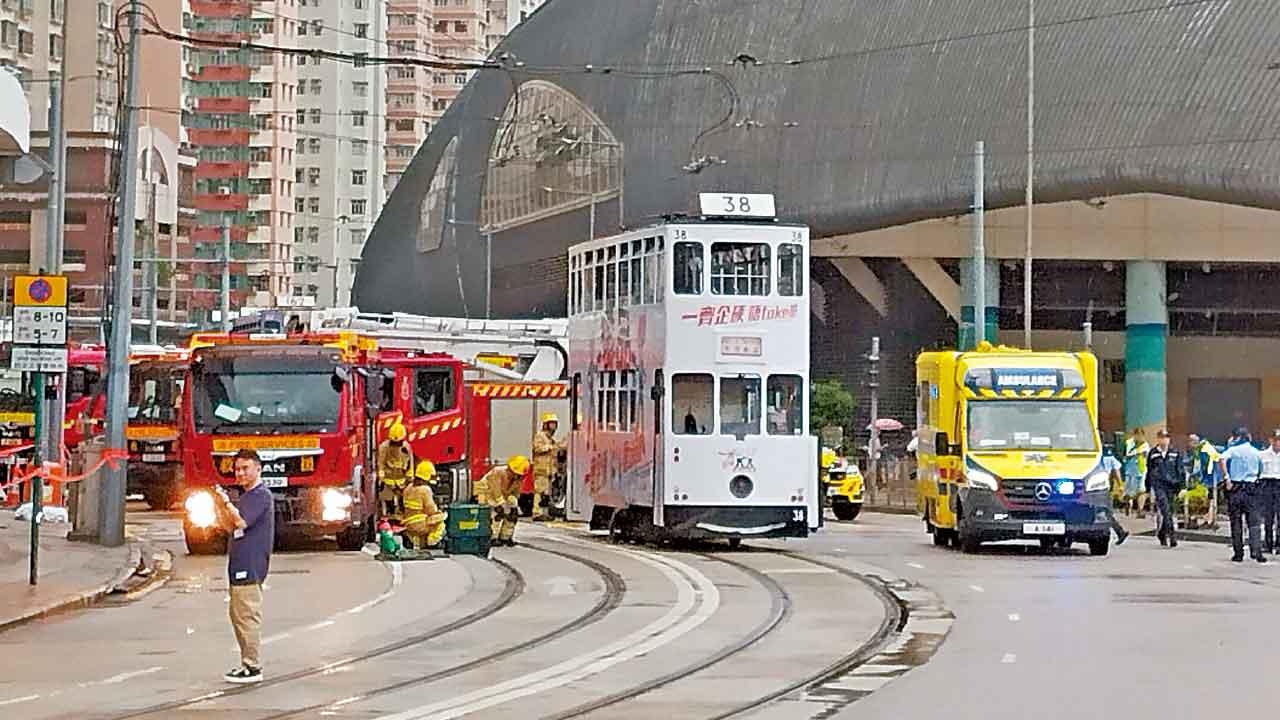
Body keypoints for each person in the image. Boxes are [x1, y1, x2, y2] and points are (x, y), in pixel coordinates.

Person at [214, 448, 274, 683]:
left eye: (244, 468)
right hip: (240, 562)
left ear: (258, 469)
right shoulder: (248, 496)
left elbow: (240, 521)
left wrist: (226, 502)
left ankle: (252, 666)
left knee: (247, 615)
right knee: (238, 615)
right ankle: (246, 663)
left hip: (250, 563)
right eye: (236, 469)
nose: (239, 473)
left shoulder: (260, 495)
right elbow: (231, 528)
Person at [1219, 426, 1267, 563]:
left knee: (1236, 522)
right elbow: (1261, 468)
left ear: (1237, 438)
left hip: (1235, 488)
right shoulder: (1256, 452)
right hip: (1251, 489)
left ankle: (1238, 553)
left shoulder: (1233, 450)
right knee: (1254, 522)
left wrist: (1226, 478)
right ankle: (1256, 551)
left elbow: (1221, 459)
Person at [478, 455, 528, 546]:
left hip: (502, 495)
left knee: (512, 513)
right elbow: (495, 490)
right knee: (498, 511)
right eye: (515, 473)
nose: (517, 477)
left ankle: (505, 537)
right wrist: (501, 503)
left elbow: (515, 493)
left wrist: (515, 506)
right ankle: (492, 537)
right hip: (487, 494)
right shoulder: (497, 472)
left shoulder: (518, 479)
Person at [1144, 429, 1183, 548]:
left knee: (1169, 511)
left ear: (1169, 439)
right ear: (1158, 439)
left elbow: (1180, 470)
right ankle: (1172, 536)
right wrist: (1148, 487)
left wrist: (1182, 486)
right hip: (1159, 485)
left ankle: (1162, 533)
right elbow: (1149, 471)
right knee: (1165, 510)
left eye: (1166, 437)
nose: (1163, 440)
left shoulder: (1175, 453)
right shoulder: (1153, 453)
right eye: (1161, 437)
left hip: (1172, 485)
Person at [403, 460, 447, 550]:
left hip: (407, 523)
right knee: (441, 521)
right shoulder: (425, 490)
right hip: (420, 523)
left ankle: (417, 542)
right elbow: (430, 510)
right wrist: (439, 512)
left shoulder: (408, 487)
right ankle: (432, 543)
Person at [531, 413, 566, 521]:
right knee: (540, 492)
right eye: (551, 423)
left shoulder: (550, 438)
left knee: (546, 493)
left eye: (555, 424)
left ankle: (544, 513)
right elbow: (537, 448)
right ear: (546, 424)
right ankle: (537, 512)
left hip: (549, 470)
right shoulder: (540, 436)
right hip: (541, 470)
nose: (554, 426)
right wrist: (552, 447)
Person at [376, 422, 413, 520]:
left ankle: (402, 515)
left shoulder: (406, 447)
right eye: (394, 443)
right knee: (387, 500)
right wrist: (381, 477)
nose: (396, 445)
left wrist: (409, 479)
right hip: (387, 481)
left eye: (398, 443)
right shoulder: (384, 447)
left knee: (404, 501)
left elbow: (410, 464)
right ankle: (387, 516)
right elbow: (380, 463)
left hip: (402, 481)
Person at [1186, 433, 1221, 526]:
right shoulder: (1201, 448)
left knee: (1211, 498)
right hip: (1210, 477)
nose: (1189, 444)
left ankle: (1209, 519)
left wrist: (1200, 476)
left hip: (1211, 478)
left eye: (1190, 442)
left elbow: (1206, 464)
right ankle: (1209, 518)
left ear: (1194, 442)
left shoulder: (1204, 449)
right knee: (1211, 498)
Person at [1101, 446, 1129, 545]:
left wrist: (1120, 485)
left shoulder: (1098, 453)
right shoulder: (1108, 454)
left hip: (1098, 487)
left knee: (1105, 512)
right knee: (1105, 512)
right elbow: (1116, 470)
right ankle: (1120, 532)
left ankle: (1120, 532)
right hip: (1104, 486)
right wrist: (1120, 484)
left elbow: (1116, 470)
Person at [1258, 430, 1280, 554]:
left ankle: (1279, 544)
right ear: (1270, 440)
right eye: (1276, 439)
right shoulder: (1262, 455)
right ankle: (1268, 544)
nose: (1278, 442)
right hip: (1267, 484)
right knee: (1268, 516)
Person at [1122, 428, 1149, 517]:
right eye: (1137, 435)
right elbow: (1125, 455)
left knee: (1141, 490)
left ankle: (1140, 510)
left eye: (1141, 435)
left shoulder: (1145, 445)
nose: (1139, 437)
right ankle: (1128, 504)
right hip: (1130, 470)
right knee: (1130, 492)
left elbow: (1146, 457)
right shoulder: (1129, 443)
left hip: (1141, 470)